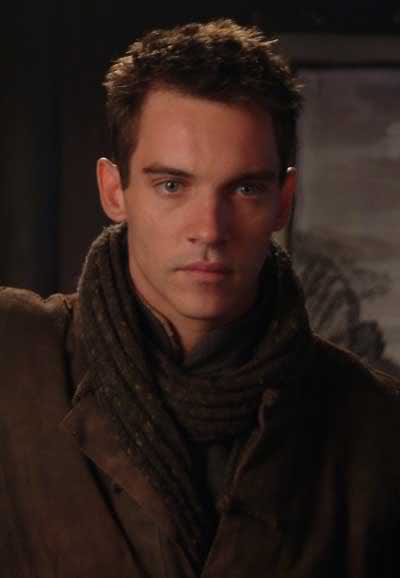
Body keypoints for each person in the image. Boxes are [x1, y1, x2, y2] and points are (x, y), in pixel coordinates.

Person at [1, 18, 399, 578]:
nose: (209, 229)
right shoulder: (14, 361)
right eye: (172, 185)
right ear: (115, 190)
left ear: (283, 200)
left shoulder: (376, 428)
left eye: (245, 188)